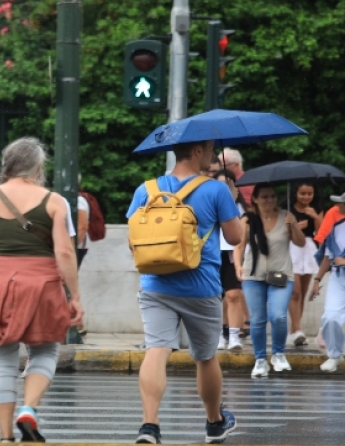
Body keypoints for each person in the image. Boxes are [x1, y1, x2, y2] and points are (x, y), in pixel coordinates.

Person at [0, 137, 83, 443]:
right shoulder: (54, 201)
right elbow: (65, 253)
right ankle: (28, 408)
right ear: (38, 167)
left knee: (2, 363)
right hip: (41, 283)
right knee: (45, 351)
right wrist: (75, 296)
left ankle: (5, 437)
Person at [126, 140, 241, 444]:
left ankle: (149, 426)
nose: (214, 156)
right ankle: (215, 422)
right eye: (210, 150)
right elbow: (235, 237)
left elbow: (133, 242)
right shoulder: (216, 190)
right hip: (200, 288)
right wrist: (231, 200)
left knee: (157, 349)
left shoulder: (145, 189)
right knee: (205, 357)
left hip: (154, 285)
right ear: (196, 151)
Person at [234, 183, 305, 378]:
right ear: (255, 199)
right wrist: (238, 267)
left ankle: (279, 354)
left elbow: (301, 242)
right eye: (264, 196)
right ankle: (260, 360)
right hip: (253, 276)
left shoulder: (285, 217)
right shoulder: (248, 220)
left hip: (281, 275)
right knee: (257, 320)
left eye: (272, 196)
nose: (269, 200)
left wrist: (294, 226)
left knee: (278, 316)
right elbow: (239, 246)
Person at [213, 169, 248, 351]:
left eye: (228, 184)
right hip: (212, 254)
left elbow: (240, 237)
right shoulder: (209, 203)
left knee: (233, 295)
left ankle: (234, 336)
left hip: (232, 255)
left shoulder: (240, 208)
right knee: (215, 297)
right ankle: (218, 334)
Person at [285, 181, 322, 346]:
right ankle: (297, 329)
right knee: (295, 292)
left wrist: (315, 217)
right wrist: (295, 227)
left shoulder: (316, 209)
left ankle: (295, 331)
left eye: (309, 194)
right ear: (295, 193)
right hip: (291, 247)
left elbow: (322, 233)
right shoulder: (287, 209)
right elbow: (280, 231)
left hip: (309, 248)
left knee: (303, 292)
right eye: (302, 194)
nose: (306, 197)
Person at [311, 193, 345, 371]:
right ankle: (335, 355)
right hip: (339, 277)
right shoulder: (336, 226)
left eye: (342, 203)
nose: (339, 206)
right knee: (330, 317)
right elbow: (328, 256)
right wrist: (317, 279)